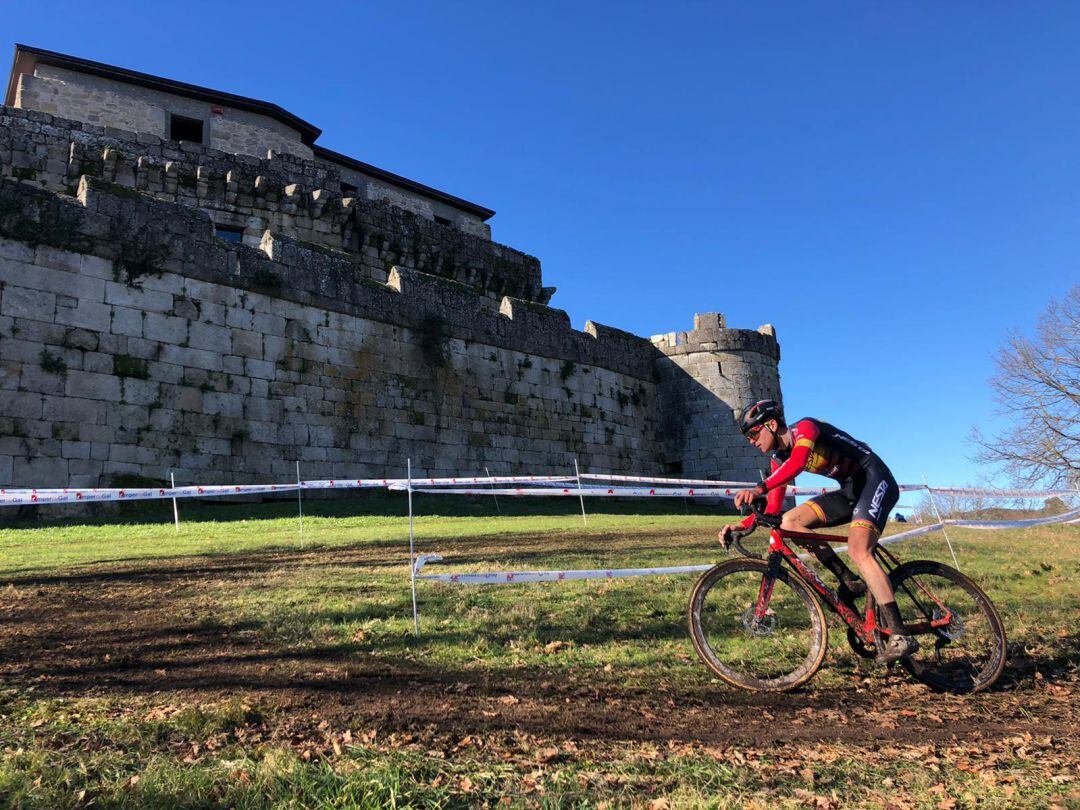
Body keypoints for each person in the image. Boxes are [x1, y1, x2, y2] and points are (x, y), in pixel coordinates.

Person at [719, 399, 919, 662]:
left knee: (859, 550)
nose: (752, 442)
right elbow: (773, 508)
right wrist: (742, 525)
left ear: (770, 424)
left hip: (874, 478)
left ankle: (900, 634)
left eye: (754, 434)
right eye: (748, 438)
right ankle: (849, 580)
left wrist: (759, 487)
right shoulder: (779, 459)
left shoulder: (806, 428)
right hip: (850, 490)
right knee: (789, 522)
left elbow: (799, 462)